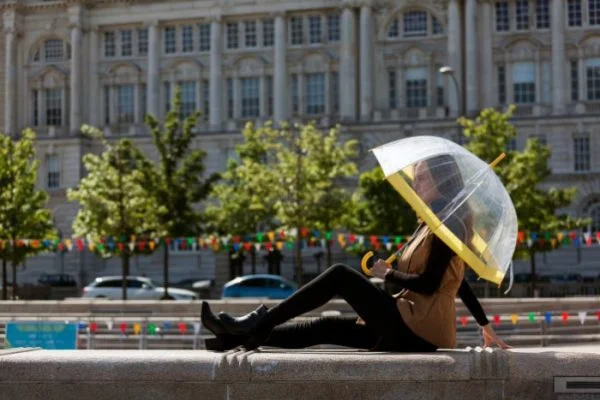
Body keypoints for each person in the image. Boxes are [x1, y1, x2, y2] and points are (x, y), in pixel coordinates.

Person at [201, 155, 511, 352]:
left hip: (420, 328)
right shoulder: (430, 224)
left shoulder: (451, 223)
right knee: (323, 327)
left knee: (339, 275)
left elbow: (432, 284)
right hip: (407, 320)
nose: (415, 183)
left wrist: (386, 273)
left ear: (442, 182)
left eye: (422, 177)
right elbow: (458, 282)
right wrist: (484, 324)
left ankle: (259, 321)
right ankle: (236, 337)